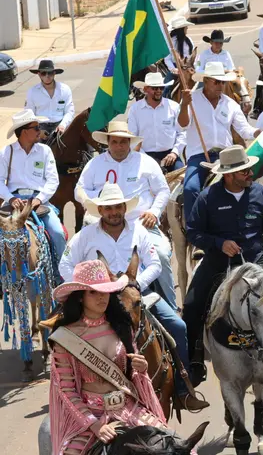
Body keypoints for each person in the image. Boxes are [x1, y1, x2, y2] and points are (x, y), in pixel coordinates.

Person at [59, 184, 208, 411]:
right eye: (108, 208)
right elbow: (65, 264)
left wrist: (136, 284)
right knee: (63, 335)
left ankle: (182, 390)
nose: (113, 212)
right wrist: (88, 287)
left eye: (117, 207)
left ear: (123, 208)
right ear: (100, 211)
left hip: (136, 293)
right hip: (100, 298)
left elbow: (155, 264)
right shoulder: (84, 236)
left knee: (178, 326)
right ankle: (69, 393)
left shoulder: (139, 231)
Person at [183, 146, 263, 384]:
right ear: (228, 175)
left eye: (248, 169)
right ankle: (194, 361)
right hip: (218, 263)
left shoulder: (259, 193)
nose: (250, 174)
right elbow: (193, 232)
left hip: (256, 261)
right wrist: (218, 243)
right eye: (244, 171)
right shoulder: (207, 198)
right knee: (192, 305)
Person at [48, 259, 169, 455]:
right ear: (80, 297)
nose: (101, 297)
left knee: (175, 444)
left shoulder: (121, 327)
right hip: (90, 415)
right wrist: (94, 425)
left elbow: (132, 375)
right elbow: (66, 390)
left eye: (105, 291)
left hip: (128, 408)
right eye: (93, 292)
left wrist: (141, 368)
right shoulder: (65, 338)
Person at [76, 118, 176, 309]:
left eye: (123, 141)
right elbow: (79, 189)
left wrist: (154, 212)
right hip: (105, 223)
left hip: (141, 224)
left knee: (162, 255)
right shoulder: (95, 164)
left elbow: (163, 190)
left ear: (130, 142)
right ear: (108, 142)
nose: (119, 146)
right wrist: (97, 202)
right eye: (114, 141)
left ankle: (170, 305)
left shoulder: (146, 162)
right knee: (83, 257)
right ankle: (81, 304)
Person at [178, 62, 260, 227]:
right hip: (199, 156)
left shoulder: (231, 104)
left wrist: (258, 132)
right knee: (190, 189)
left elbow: (245, 130)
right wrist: (185, 105)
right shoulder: (192, 100)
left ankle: (256, 226)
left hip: (227, 157)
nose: (220, 86)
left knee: (253, 186)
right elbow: (182, 125)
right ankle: (195, 230)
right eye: (216, 81)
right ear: (206, 80)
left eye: (222, 82)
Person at [0, 110, 65, 281]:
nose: (40, 131)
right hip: (14, 200)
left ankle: (60, 275)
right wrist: (11, 198)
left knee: (57, 232)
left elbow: (53, 180)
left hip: (39, 200)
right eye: (36, 127)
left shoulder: (45, 151)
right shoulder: (6, 152)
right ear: (23, 132)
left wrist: (39, 199)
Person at [128, 73, 186, 172]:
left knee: (183, 180)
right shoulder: (135, 110)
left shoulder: (174, 107)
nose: (159, 91)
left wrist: (174, 153)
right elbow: (133, 137)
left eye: (161, 88)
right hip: (144, 156)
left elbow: (182, 133)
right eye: (155, 88)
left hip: (170, 156)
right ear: (146, 89)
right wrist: (147, 158)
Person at [25, 59, 74, 137]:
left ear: (54, 73)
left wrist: (63, 125)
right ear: (39, 74)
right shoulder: (32, 92)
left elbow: (69, 111)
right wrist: (37, 131)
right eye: (43, 73)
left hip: (60, 125)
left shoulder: (65, 89)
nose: (47, 76)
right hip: (40, 127)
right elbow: (29, 115)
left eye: (50, 73)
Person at [163, 16, 195, 83]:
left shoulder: (189, 40)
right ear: (181, 29)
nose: (187, 28)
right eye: (185, 27)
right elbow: (167, 59)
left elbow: (192, 56)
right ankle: (165, 94)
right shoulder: (170, 42)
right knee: (166, 86)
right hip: (175, 68)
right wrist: (174, 69)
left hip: (189, 67)